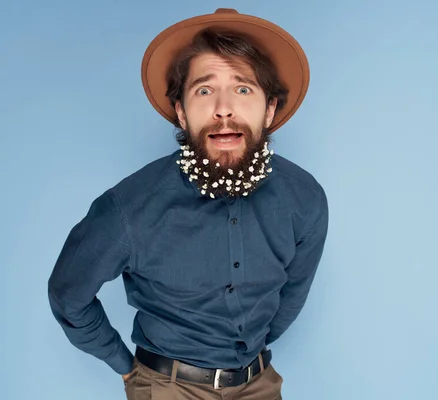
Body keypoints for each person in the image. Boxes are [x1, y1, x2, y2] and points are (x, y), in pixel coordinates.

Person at [48, 8, 329, 400]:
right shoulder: (129, 206)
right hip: (166, 388)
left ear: (270, 109)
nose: (223, 108)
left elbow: (291, 298)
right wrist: (125, 367)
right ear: (181, 111)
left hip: (259, 385)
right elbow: (68, 294)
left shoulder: (305, 198)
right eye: (204, 90)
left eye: (243, 88)